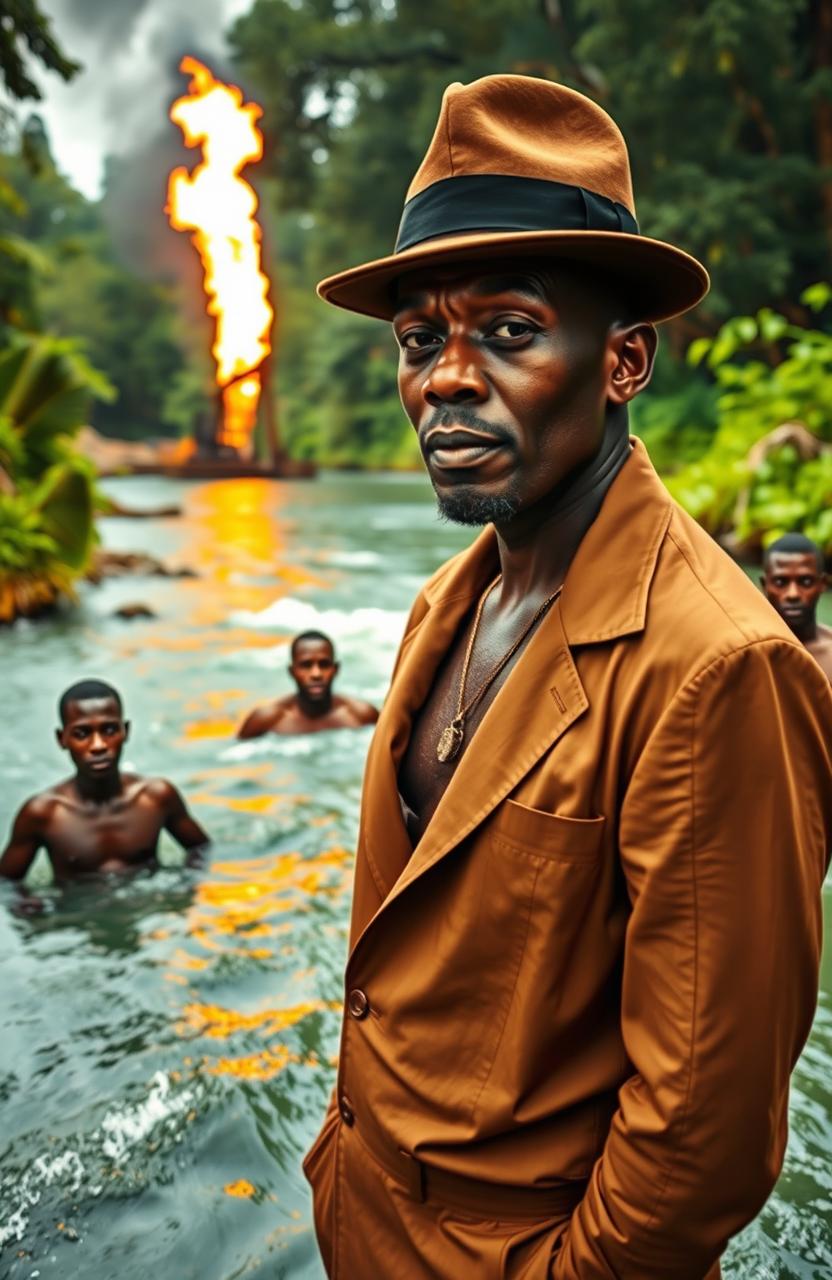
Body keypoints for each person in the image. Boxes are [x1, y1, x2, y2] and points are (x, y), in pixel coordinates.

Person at [301, 75, 832, 1280]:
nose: (443, 377)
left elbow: (704, 1131)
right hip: (366, 1221)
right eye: (419, 338)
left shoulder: (716, 669)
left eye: (507, 329)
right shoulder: (451, 599)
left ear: (624, 360)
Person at [0, 679, 209, 883]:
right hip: (75, 915)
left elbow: (202, 851)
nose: (98, 745)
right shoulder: (43, 813)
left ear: (125, 731)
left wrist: (184, 888)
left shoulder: (156, 797)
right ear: (62, 739)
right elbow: (5, 885)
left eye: (109, 730)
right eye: (82, 734)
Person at [236, 630, 378, 738]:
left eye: (324, 664)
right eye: (306, 665)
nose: (316, 674)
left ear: (336, 669)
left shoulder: (363, 716)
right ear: (292, 671)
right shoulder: (265, 720)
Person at [761, 532, 832, 682]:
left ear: (823, 584)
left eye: (805, 582)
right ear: (765, 585)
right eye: (780, 582)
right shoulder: (751, 652)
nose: (793, 594)